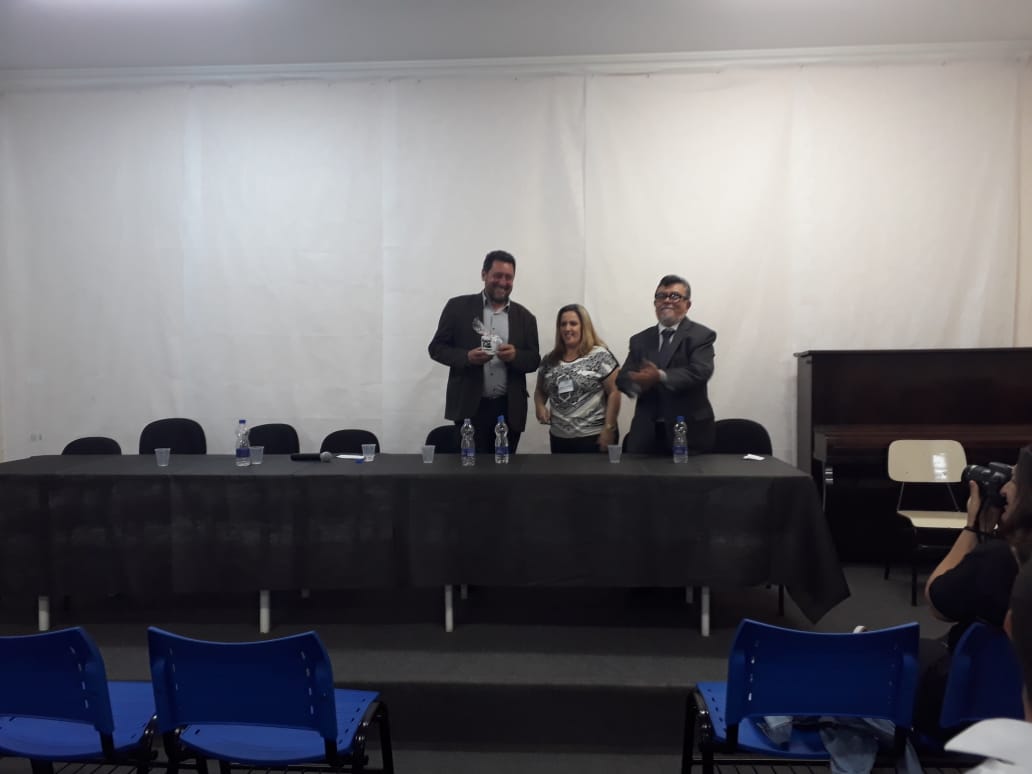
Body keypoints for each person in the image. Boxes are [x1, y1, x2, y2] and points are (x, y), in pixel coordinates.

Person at [915, 444, 1032, 741]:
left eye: (1013, 480)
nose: (1003, 489)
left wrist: (974, 528)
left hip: (973, 711)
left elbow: (937, 602)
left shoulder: (999, 560)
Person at [428, 250, 540, 454]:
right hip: (469, 407)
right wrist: (467, 357)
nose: (503, 282)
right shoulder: (457, 308)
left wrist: (515, 356)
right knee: (468, 468)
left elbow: (534, 360)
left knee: (505, 469)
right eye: (497, 275)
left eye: (508, 277)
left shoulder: (525, 318)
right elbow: (436, 348)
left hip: (509, 410)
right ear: (484, 274)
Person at [615, 274, 716, 455]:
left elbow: (700, 371)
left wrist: (659, 376)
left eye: (675, 296)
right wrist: (637, 382)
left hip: (688, 431)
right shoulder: (640, 339)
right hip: (646, 434)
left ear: (687, 304)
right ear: (655, 303)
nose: (667, 301)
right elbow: (623, 378)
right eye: (661, 296)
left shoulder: (701, 336)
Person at [534, 304, 621, 453]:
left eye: (573, 323)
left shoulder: (600, 356)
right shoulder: (549, 360)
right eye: (563, 324)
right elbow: (540, 391)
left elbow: (615, 391)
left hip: (592, 438)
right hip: (559, 439)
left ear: (584, 327)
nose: (567, 328)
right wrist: (539, 406)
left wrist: (609, 428)